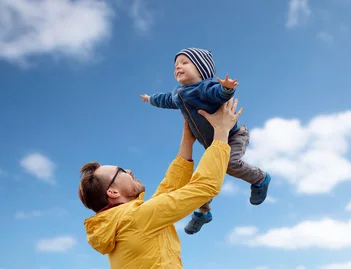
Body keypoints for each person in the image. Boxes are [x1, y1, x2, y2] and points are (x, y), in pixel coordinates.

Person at [78, 98, 243, 268]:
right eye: (120, 171)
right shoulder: (135, 219)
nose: (128, 171)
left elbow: (168, 191)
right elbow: (205, 187)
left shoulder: (123, 222)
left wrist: (187, 140)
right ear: (113, 192)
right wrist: (221, 130)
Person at [139, 47, 271, 235]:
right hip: (214, 143)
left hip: (233, 135)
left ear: (201, 70)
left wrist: (226, 88)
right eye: (176, 65)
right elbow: (165, 99)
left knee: (230, 165)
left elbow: (217, 93)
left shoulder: (205, 87)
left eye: (184, 63)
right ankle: (203, 213)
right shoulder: (178, 93)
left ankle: (260, 178)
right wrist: (151, 99)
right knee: (203, 175)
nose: (178, 67)